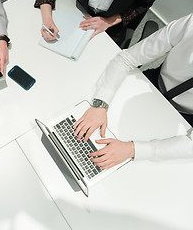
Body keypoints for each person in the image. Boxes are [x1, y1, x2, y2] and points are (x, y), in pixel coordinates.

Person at [72, 13, 193, 170]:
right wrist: (100, 104)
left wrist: (132, 149)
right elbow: (126, 59)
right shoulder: (190, 24)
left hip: (185, 117)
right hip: (155, 83)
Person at [34, 0, 156, 47]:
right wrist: (47, 19)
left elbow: (143, 4)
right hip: (77, 6)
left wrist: (109, 21)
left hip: (111, 25)